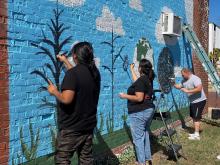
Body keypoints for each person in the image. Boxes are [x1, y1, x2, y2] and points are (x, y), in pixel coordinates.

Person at [47, 42, 101, 164]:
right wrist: (65, 61)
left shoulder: (73, 74)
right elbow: (78, 76)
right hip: (88, 126)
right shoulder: (95, 73)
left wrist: (54, 91)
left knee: (62, 160)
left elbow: (66, 99)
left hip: (72, 127)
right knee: (86, 159)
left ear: (75, 56)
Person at [119, 59, 155, 165]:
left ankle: (141, 162)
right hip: (148, 110)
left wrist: (124, 96)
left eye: (138, 66)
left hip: (139, 112)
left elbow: (139, 98)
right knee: (145, 133)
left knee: (138, 138)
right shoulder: (147, 79)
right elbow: (137, 82)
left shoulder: (142, 80)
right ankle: (147, 157)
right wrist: (131, 69)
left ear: (140, 68)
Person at [174, 68, 207, 140]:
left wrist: (187, 91)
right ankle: (195, 133)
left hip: (199, 101)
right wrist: (172, 83)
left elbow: (199, 88)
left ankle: (197, 135)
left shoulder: (195, 79)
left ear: (187, 73)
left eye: (183, 75)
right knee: (194, 117)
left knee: (196, 117)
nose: (182, 76)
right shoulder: (184, 81)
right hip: (193, 102)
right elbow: (179, 86)